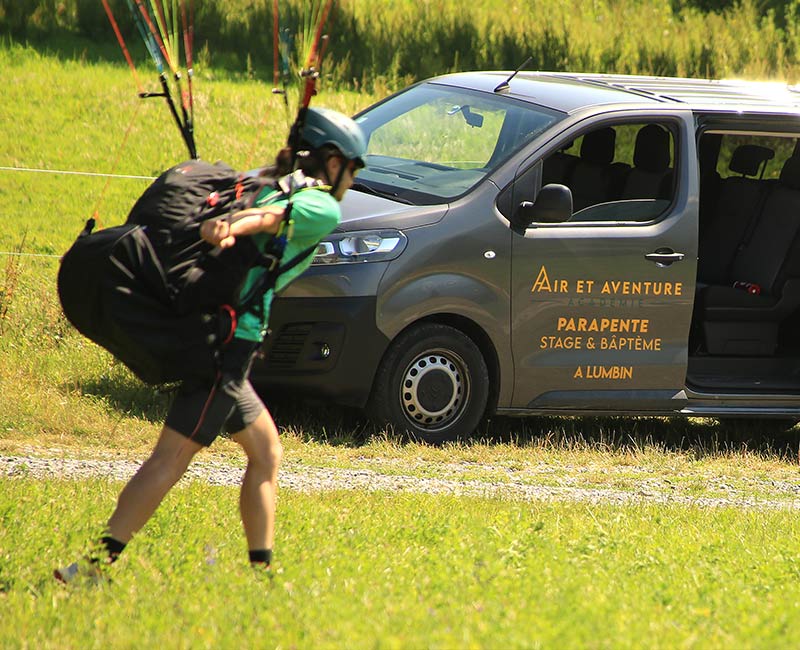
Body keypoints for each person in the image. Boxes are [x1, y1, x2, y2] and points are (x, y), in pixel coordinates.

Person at [55, 107, 367, 582]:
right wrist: (234, 227)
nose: (354, 177)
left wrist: (228, 224)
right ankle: (91, 569)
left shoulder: (264, 181)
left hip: (221, 342)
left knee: (266, 452)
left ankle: (262, 575)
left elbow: (259, 210)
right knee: (170, 459)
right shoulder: (321, 206)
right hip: (226, 351)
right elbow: (270, 218)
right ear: (332, 162)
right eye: (353, 167)